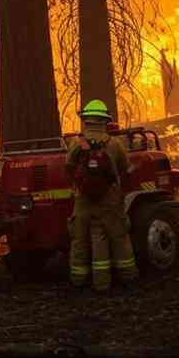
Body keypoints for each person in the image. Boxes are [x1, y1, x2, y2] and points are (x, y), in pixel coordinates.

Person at [65, 99, 138, 292]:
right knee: (118, 237)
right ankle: (126, 277)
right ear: (105, 121)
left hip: (83, 201)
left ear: (86, 120)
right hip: (110, 200)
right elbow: (125, 169)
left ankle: (79, 280)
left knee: (79, 240)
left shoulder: (76, 143)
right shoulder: (115, 144)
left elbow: (69, 167)